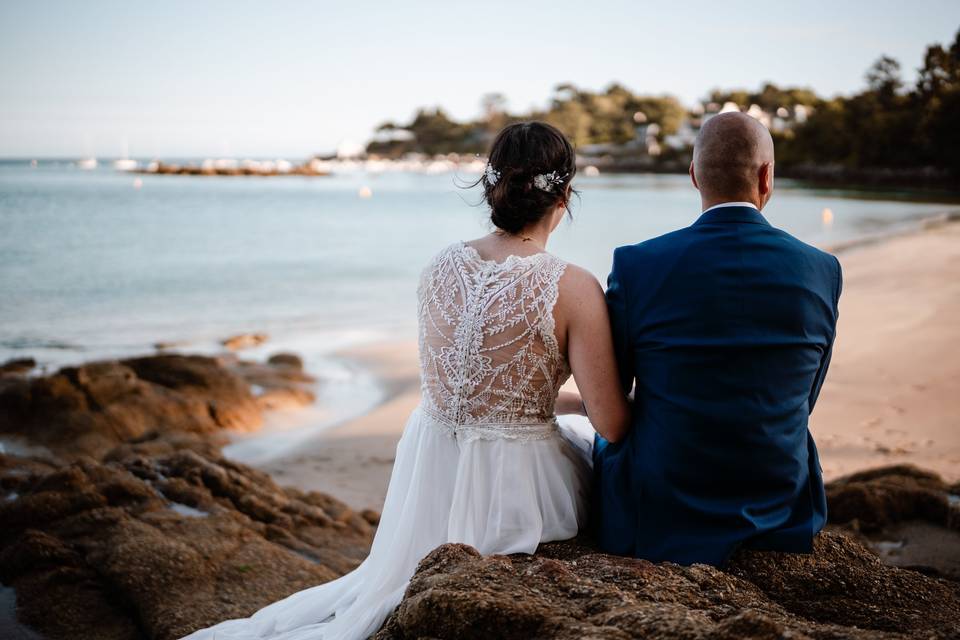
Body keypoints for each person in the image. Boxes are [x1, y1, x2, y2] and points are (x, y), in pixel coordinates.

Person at [183, 121, 629, 640]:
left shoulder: (441, 264)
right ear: (565, 195)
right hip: (515, 487)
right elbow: (613, 424)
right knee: (590, 450)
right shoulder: (573, 285)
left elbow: (469, 393)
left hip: (432, 469)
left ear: (492, 186)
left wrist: (557, 403)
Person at [592, 111, 842, 567]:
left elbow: (617, 394)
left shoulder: (637, 265)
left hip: (664, 500)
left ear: (694, 176)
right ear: (767, 177)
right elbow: (804, 398)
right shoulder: (821, 268)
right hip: (778, 499)